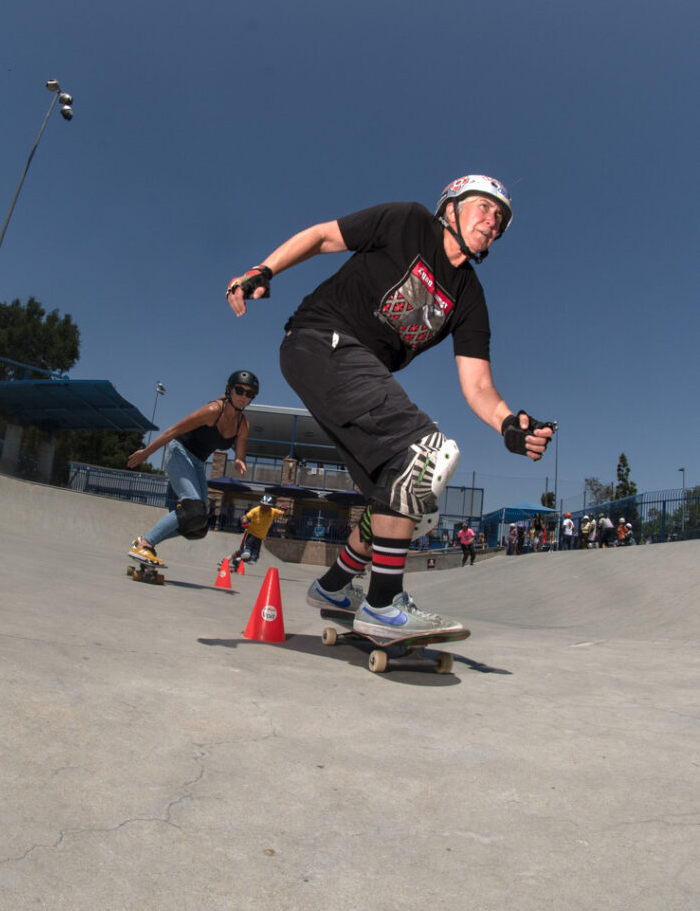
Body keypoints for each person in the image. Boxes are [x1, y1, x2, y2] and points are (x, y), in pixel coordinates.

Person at [226, 174, 554, 639]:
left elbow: (478, 384)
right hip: (319, 338)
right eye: (483, 207)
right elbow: (323, 237)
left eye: (499, 218)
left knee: (408, 499)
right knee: (424, 450)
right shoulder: (407, 221)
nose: (492, 221)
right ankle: (382, 605)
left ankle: (335, 586)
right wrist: (264, 270)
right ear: (451, 208)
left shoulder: (469, 298)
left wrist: (509, 426)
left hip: (350, 371)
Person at [125, 371, 258, 576]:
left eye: (249, 394)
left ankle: (145, 542)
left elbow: (240, 450)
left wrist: (240, 460)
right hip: (179, 452)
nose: (243, 396)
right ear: (229, 389)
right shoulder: (213, 410)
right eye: (239, 390)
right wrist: (146, 453)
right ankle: (145, 544)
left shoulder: (243, 424)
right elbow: (173, 431)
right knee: (192, 506)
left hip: (197, 463)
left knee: (198, 524)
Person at [230, 494, 288, 570]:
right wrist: (244, 521)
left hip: (260, 537)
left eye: (266, 506)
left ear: (270, 506)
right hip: (251, 534)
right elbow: (246, 517)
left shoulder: (273, 511)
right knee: (246, 552)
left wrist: (285, 510)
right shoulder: (255, 510)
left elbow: (284, 515)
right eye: (263, 505)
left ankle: (237, 561)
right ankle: (229, 560)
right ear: (260, 504)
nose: (264, 507)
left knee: (254, 558)